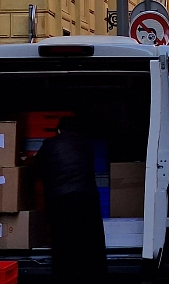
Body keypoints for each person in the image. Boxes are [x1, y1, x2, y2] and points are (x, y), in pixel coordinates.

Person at [30, 117, 107, 283]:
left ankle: (66, 277)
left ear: (59, 131)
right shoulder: (86, 145)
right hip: (88, 199)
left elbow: (35, 171)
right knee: (91, 245)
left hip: (61, 200)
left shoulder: (50, 145)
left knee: (63, 245)